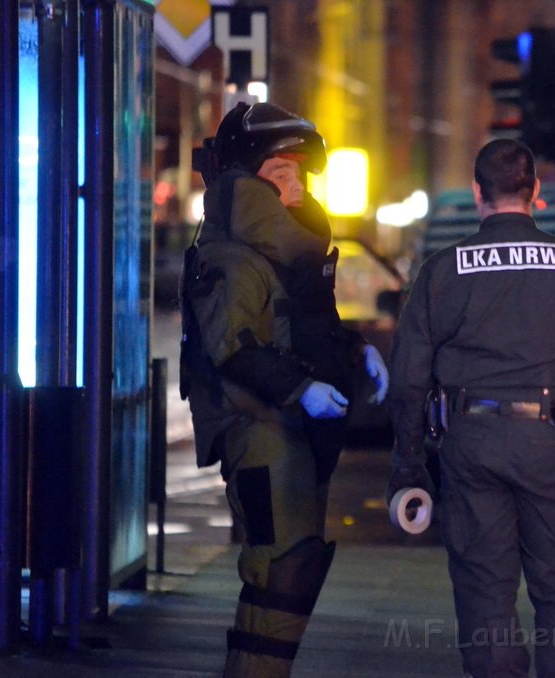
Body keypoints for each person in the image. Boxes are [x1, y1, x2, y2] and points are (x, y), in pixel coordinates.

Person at [386, 138, 555, 677]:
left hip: (470, 443)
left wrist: (408, 461)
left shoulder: (441, 271)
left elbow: (407, 375)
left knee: (484, 590)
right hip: (551, 445)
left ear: (478, 192)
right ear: (535, 192)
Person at [180, 101, 388, 677]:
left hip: (290, 433)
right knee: (279, 577)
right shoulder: (237, 255)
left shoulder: (284, 251)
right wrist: (302, 390)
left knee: (289, 580)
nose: (297, 183)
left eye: (301, 171)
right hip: (262, 431)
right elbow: (232, 347)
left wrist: (353, 352)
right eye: (282, 171)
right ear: (252, 179)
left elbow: (303, 324)